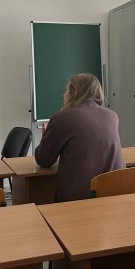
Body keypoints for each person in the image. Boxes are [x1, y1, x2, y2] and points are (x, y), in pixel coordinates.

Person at [35, 73, 124, 202]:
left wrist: (45, 136)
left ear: (74, 92)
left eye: (66, 90)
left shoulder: (62, 118)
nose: (63, 95)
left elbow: (43, 159)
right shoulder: (112, 116)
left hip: (79, 200)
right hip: (114, 195)